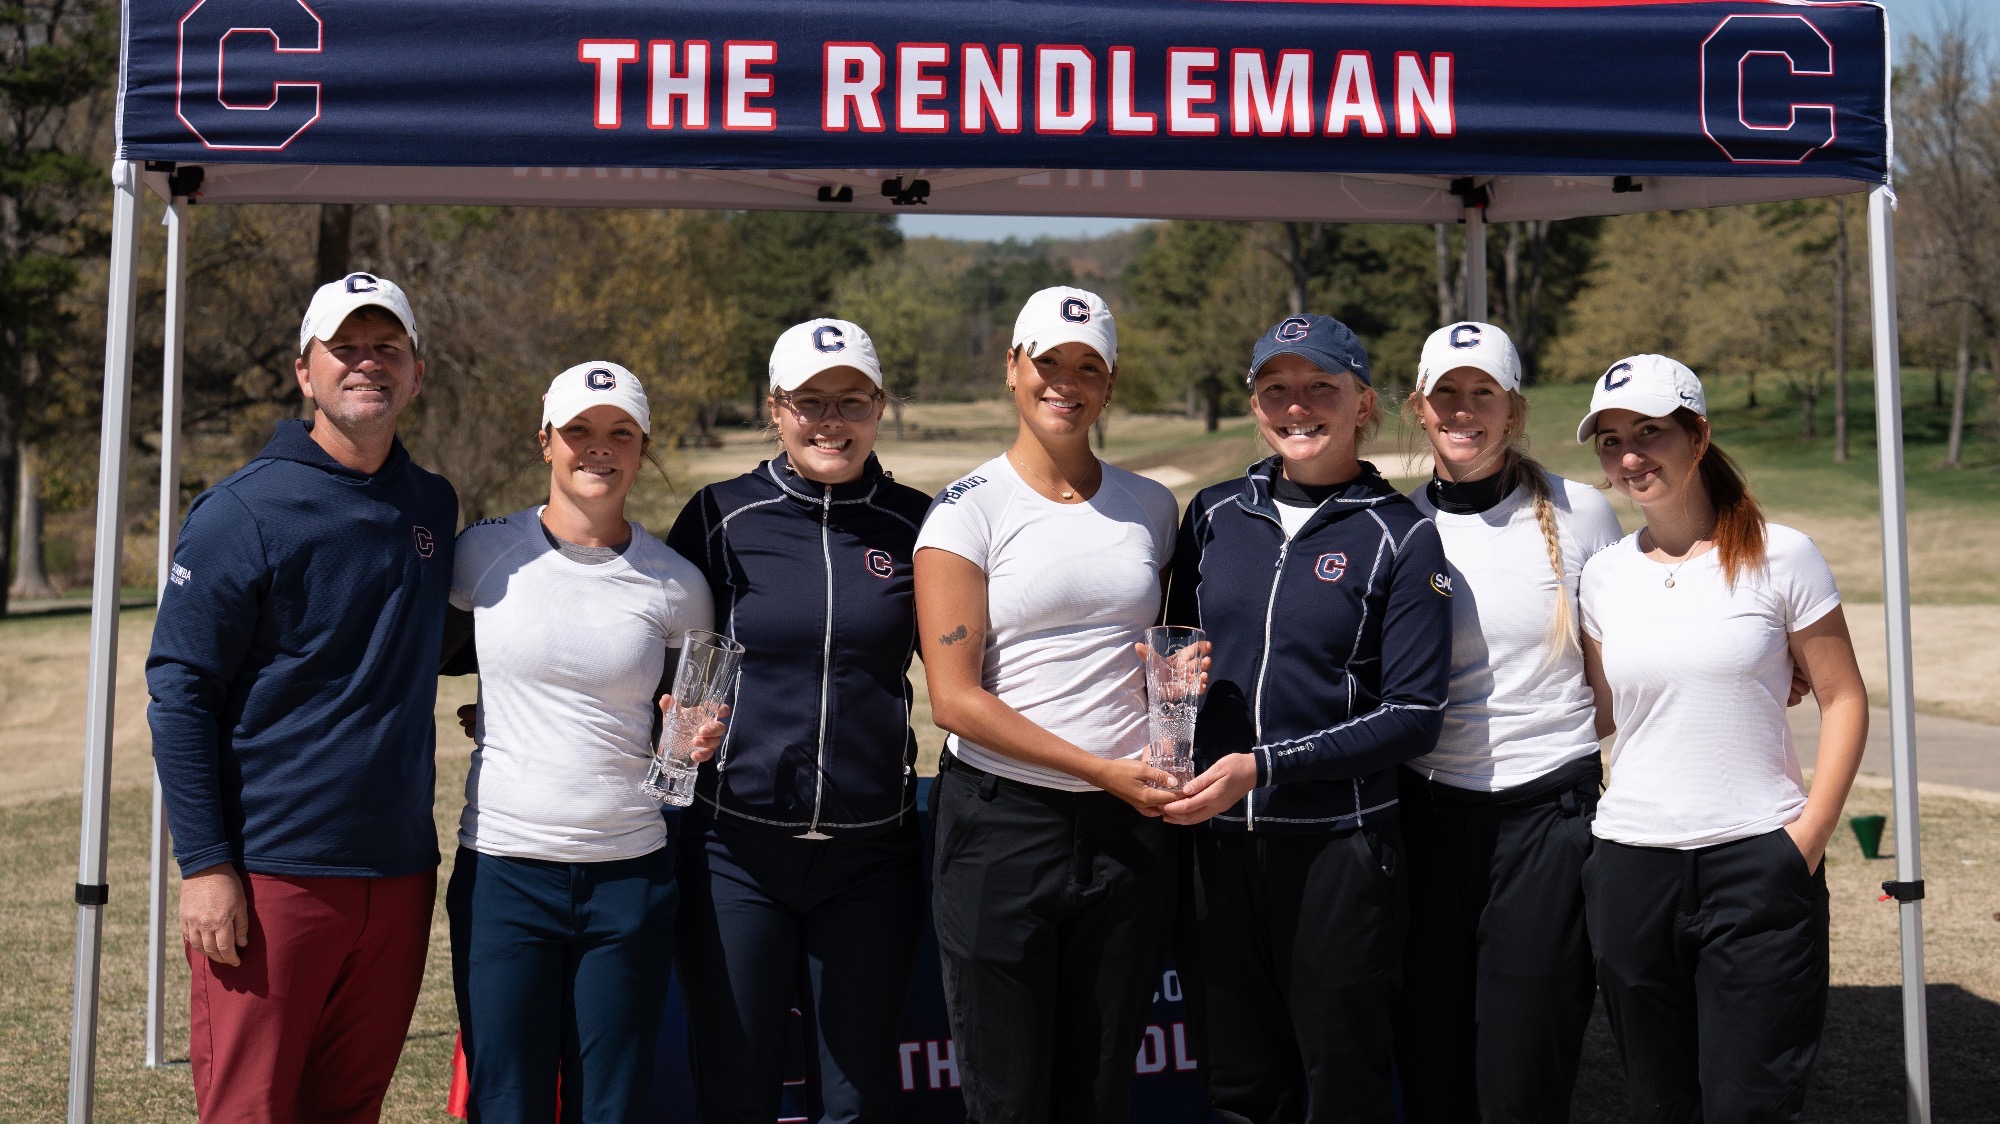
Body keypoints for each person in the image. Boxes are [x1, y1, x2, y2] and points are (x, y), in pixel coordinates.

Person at [147, 272, 457, 1122]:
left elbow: (449, 637)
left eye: (386, 348)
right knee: (252, 1108)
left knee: (348, 1107)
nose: (368, 364)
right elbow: (179, 691)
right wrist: (206, 865)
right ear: (304, 372)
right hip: (270, 873)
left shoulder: (431, 503)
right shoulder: (242, 512)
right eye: (345, 349)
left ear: (417, 373)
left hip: (397, 870)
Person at [1162, 314, 1453, 1124]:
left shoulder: (1403, 536)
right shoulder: (1215, 513)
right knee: (1237, 1085)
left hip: (1339, 852)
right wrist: (1169, 681)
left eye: (1321, 387)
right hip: (1217, 850)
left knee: (1342, 1082)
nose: (1298, 406)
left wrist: (1265, 766)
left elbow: (1414, 717)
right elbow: (1176, 652)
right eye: (1276, 389)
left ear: (1364, 403)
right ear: (1255, 404)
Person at [1575, 355, 1867, 1123]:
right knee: (1659, 1101)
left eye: (1649, 433)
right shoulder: (1604, 576)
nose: (1629, 456)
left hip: (1758, 863)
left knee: (1750, 1103)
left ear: (1698, 436)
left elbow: (1843, 698)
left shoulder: (1784, 555)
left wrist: (1805, 837)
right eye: (1610, 440)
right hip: (1631, 867)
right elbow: (1607, 712)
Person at [914, 286, 1182, 1123]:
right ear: (1013, 368)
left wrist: (1180, 676)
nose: (1065, 382)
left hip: (1126, 835)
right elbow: (955, 702)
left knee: (1098, 1090)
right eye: (1048, 362)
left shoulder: (1152, 506)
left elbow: (1159, 650)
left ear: (1108, 383)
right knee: (1008, 1096)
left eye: (1087, 367)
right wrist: (1101, 769)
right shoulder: (965, 512)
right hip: (1002, 828)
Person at [664, 319, 933, 1123]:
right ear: (774, 409)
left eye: (851, 400)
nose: (831, 420)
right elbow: (646, 651)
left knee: (856, 1104)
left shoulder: (920, 524)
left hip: (871, 856)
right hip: (736, 851)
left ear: (881, 407)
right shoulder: (719, 514)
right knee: (737, 1093)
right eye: (809, 402)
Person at [439, 361, 719, 1122]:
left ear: (642, 447)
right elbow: (430, 659)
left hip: (628, 878)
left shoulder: (677, 584)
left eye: (619, 434)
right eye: (579, 432)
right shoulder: (481, 552)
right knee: (506, 1103)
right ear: (545, 442)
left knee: (611, 1107)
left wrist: (694, 742)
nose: (598, 449)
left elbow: (682, 725)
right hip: (504, 871)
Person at [1390, 322, 1624, 1123]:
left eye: (1482, 393)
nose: (1464, 411)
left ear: (1514, 410)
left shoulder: (1582, 511)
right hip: (1425, 816)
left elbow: (1616, 671)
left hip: (1547, 819)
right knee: (1432, 1059)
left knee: (1525, 1063)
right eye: (1446, 393)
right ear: (1419, 408)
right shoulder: (1398, 522)